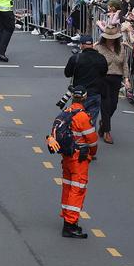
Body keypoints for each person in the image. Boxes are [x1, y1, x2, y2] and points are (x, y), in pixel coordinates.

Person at [55, 86, 98, 239]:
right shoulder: (82, 117)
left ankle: (66, 217)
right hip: (78, 159)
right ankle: (70, 225)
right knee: (77, 189)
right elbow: (92, 141)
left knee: (67, 187)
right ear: (85, 98)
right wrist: (92, 154)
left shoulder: (66, 112)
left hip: (66, 157)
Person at [96, 24, 131, 144]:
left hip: (117, 79)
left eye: (113, 37)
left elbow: (124, 64)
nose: (110, 39)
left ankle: (104, 124)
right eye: (108, 37)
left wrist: (126, 79)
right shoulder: (99, 48)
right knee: (105, 104)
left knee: (114, 104)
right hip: (103, 78)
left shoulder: (121, 48)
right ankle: (107, 132)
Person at [64, 35, 109, 124]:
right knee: (91, 122)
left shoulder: (76, 58)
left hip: (79, 95)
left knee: (76, 121)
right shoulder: (101, 58)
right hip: (95, 93)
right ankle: (89, 136)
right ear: (92, 45)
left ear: (81, 45)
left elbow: (67, 73)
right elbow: (104, 73)